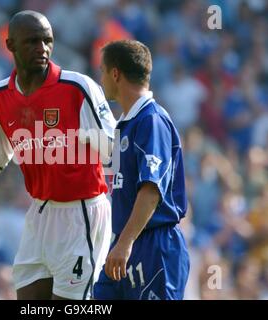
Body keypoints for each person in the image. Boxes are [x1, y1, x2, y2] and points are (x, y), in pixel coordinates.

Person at [0, 10, 116, 300]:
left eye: (47, 41)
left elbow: (115, 147)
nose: (42, 48)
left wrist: (82, 139)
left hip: (82, 212)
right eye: (33, 41)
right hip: (40, 214)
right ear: (10, 46)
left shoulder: (78, 87)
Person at [94, 40, 190, 300]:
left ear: (115, 74)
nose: (101, 78)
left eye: (102, 71)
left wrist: (125, 243)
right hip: (124, 243)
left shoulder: (152, 120)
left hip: (153, 245)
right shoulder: (126, 124)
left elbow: (150, 191)